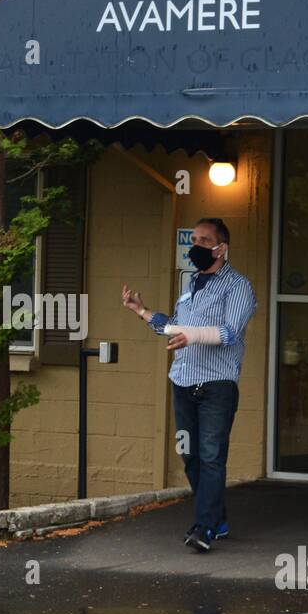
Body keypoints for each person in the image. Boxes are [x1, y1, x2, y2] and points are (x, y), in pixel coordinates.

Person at [122, 217, 256, 552]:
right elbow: (175, 328)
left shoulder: (238, 286)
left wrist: (191, 335)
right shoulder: (191, 284)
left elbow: (228, 334)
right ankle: (218, 519)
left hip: (217, 385)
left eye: (204, 240)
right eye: (193, 239)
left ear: (221, 248)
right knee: (190, 455)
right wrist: (142, 312)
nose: (195, 246)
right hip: (183, 381)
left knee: (211, 456)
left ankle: (205, 528)